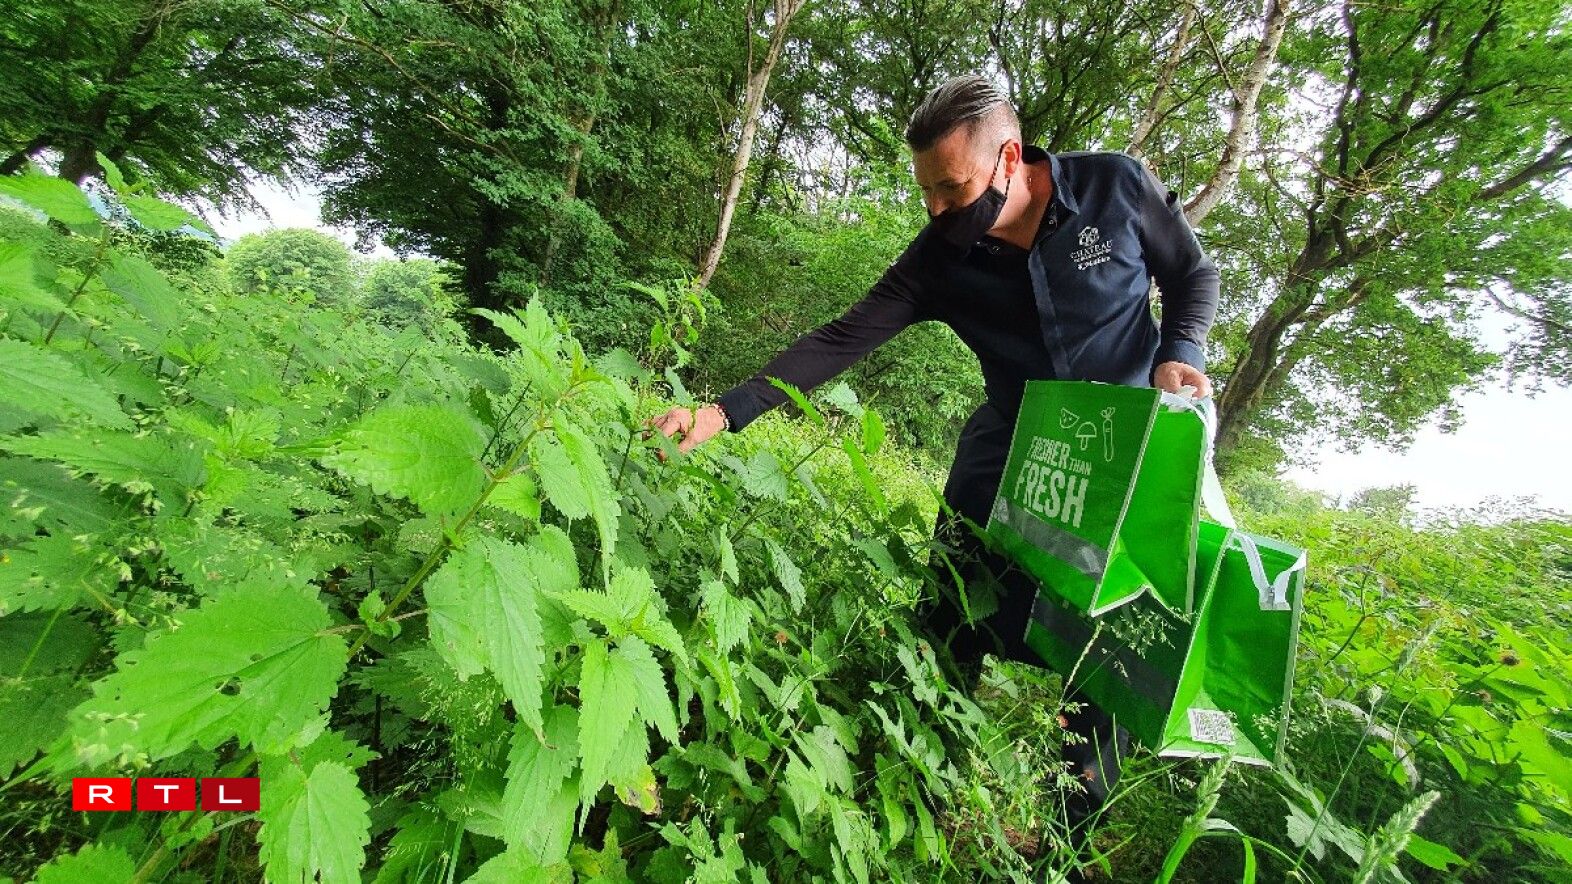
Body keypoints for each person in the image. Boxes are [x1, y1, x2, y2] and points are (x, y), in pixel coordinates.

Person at [647, 74, 1219, 874]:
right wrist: (719, 414)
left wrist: (1180, 352)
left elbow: (1192, 274)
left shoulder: (1113, 188)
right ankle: (918, 788)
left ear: (1009, 158)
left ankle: (1058, 848)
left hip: (1126, 456)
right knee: (950, 614)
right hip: (1007, 448)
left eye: (953, 189)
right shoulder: (942, 256)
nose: (937, 209)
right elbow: (840, 337)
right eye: (926, 191)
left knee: (1111, 650)